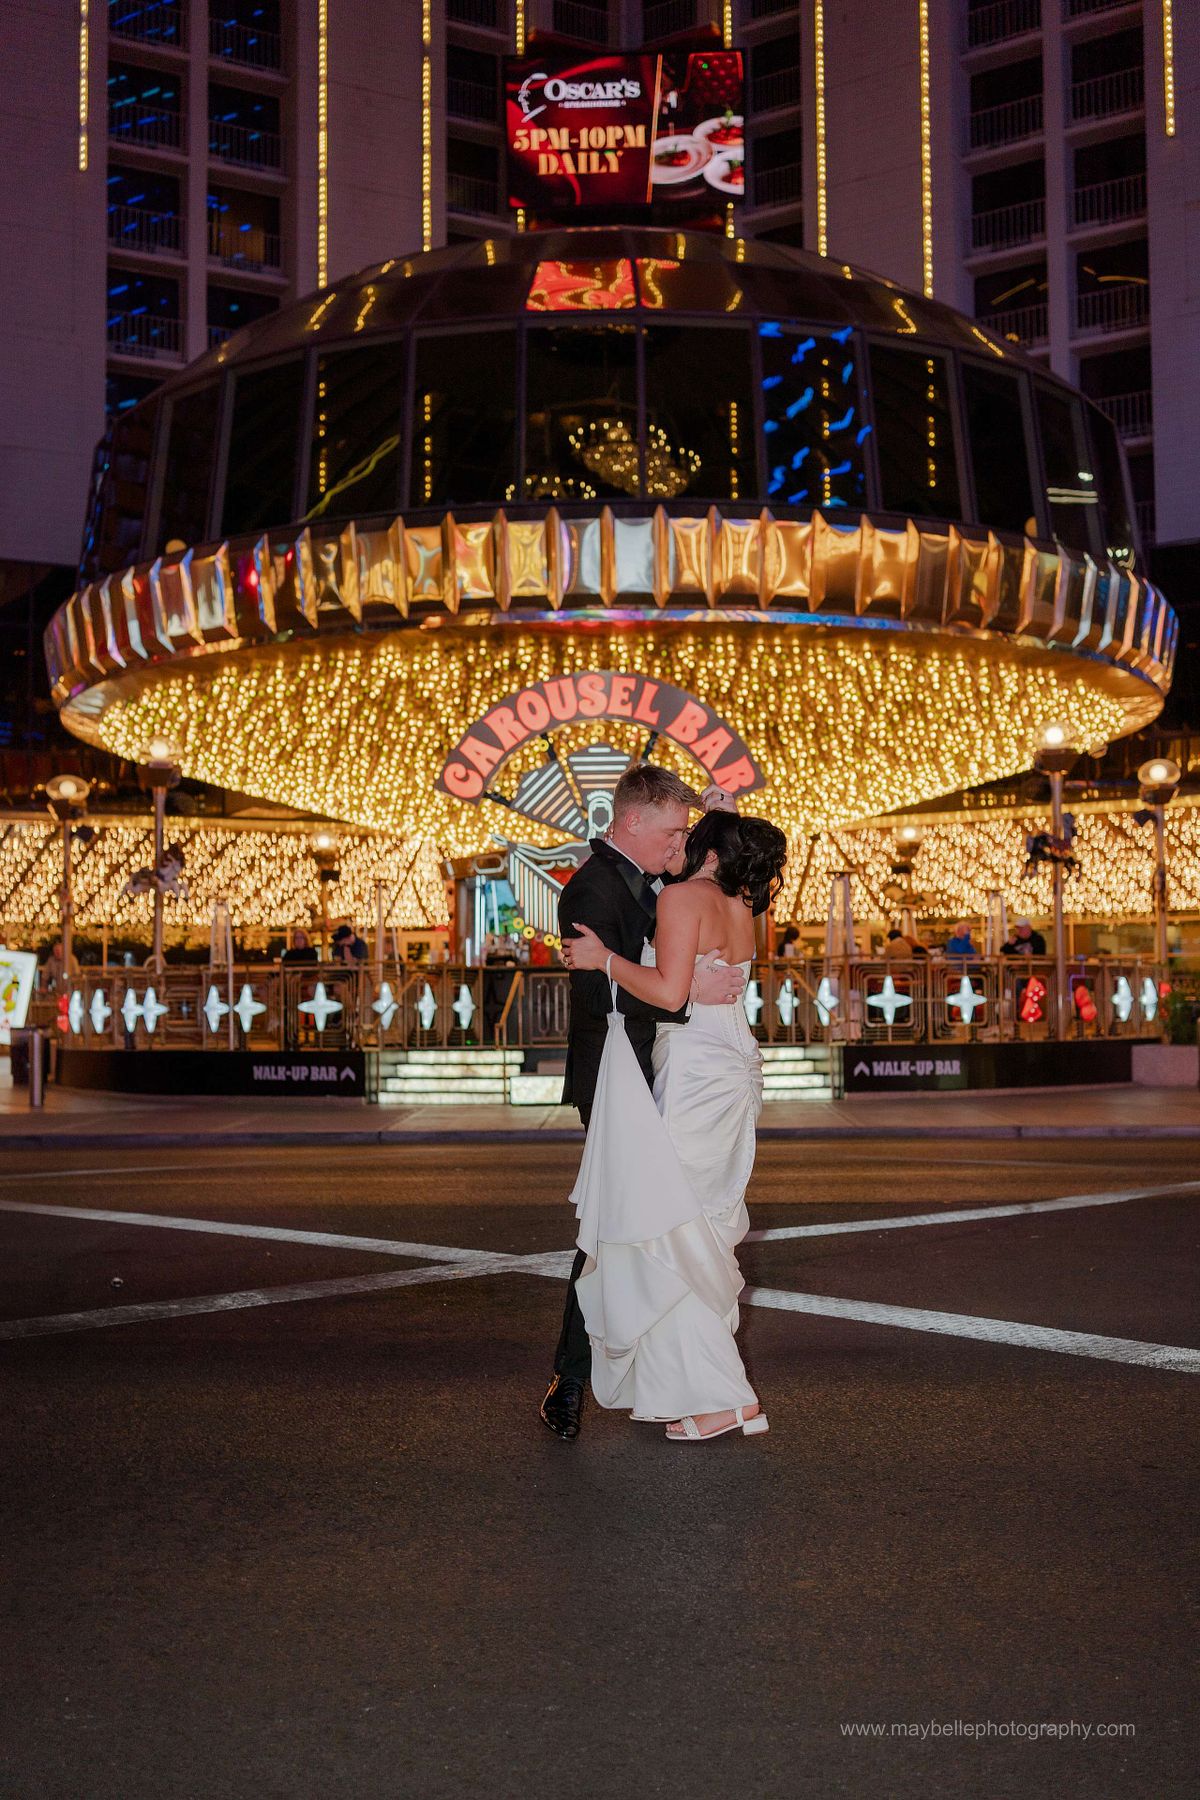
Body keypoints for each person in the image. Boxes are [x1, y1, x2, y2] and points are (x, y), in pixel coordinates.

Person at [561, 806, 787, 1444]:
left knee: (674, 1230)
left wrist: (603, 958)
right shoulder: (742, 906)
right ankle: (709, 1390)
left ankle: (724, 1399)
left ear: (709, 853)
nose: (681, 843)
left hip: (695, 1074)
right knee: (700, 1228)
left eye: (692, 837)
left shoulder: (684, 898)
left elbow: (667, 993)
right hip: (731, 1066)